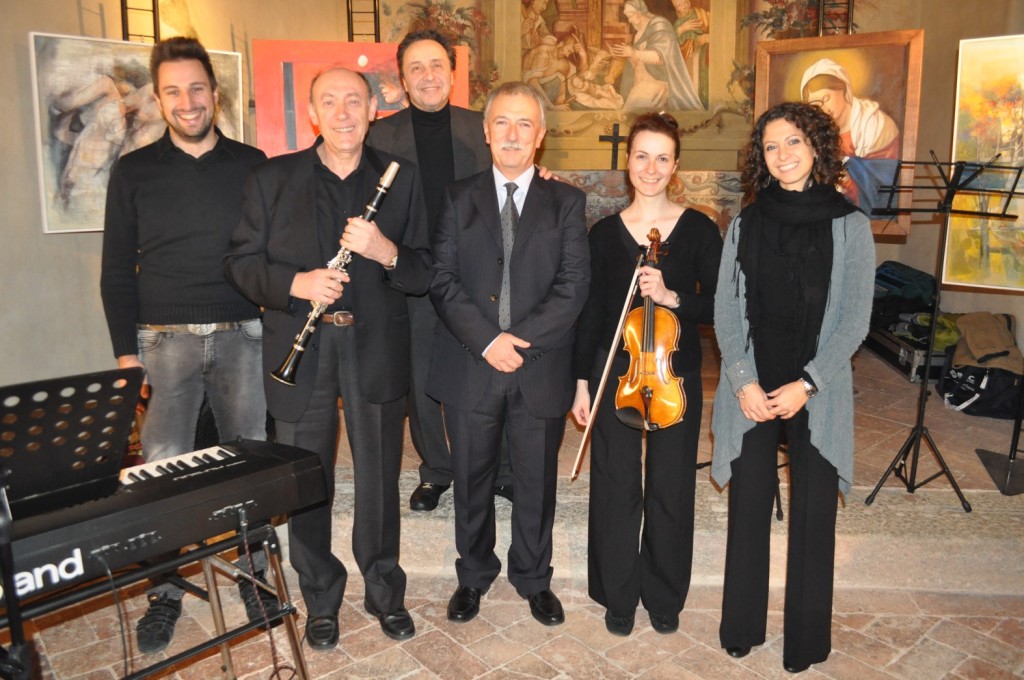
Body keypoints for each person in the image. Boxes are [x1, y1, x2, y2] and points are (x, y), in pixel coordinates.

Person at [224, 67, 431, 649]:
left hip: (376, 347)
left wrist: (386, 250)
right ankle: (320, 597)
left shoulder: (403, 179)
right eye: (330, 102)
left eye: (354, 102)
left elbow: (423, 269)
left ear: (372, 111)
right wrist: (298, 283)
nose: (343, 113)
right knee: (306, 481)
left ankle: (385, 591)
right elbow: (240, 264)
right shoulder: (271, 178)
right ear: (312, 112)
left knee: (379, 480)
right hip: (302, 345)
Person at [100, 37, 274, 655]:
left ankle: (255, 575)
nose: (187, 101)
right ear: (158, 98)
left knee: (246, 464)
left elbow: (272, 256)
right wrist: (127, 354)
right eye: (173, 90)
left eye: (197, 87)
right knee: (162, 475)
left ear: (214, 91)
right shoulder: (133, 172)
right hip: (162, 342)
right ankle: (165, 589)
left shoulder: (255, 164)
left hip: (242, 337)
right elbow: (116, 270)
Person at [711, 101, 875, 673]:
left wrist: (809, 383)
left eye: (794, 143)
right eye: (772, 146)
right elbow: (726, 310)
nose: (782, 156)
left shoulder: (850, 225)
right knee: (750, 508)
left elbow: (855, 318)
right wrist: (742, 380)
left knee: (813, 517)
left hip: (817, 389)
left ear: (817, 150)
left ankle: (806, 642)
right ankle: (741, 627)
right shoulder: (746, 222)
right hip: (753, 387)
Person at [428, 81, 590, 627]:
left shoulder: (567, 201)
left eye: (525, 124)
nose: (514, 133)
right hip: (472, 364)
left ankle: (532, 577)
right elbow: (443, 280)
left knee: (535, 480)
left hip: (539, 368)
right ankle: (473, 575)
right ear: (487, 131)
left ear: (540, 136)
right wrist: (488, 341)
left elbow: (573, 286)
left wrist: (518, 343)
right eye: (503, 122)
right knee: (471, 479)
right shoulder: (456, 197)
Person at [570, 112, 722, 637]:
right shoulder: (603, 235)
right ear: (628, 162)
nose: (651, 167)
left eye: (662, 157)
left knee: (670, 486)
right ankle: (618, 593)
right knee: (614, 485)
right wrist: (583, 383)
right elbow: (590, 317)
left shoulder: (700, 228)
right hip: (617, 374)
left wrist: (671, 296)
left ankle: (663, 594)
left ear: (675, 165)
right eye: (642, 155)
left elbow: (723, 306)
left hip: (674, 379)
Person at [366, 29, 514, 512]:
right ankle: (436, 470)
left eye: (436, 65)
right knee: (422, 379)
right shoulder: (380, 135)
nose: (428, 76)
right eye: (416, 68)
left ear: (453, 73)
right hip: (410, 273)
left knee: (490, 373)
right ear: (403, 80)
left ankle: (500, 469)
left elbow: (517, 177)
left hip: (477, 275)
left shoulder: (483, 127)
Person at [800, 58, 900, 210]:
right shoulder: (817, 131)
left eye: (827, 98)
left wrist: (847, 177)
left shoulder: (874, 126)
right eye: (816, 104)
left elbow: (883, 182)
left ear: (844, 90)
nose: (824, 108)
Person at [611, 0, 703, 111]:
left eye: (630, 16)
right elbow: (637, 64)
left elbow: (660, 57)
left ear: (638, 13)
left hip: (658, 83)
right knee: (628, 113)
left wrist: (633, 53)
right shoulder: (639, 33)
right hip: (641, 83)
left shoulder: (660, 25)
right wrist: (623, 55)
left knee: (632, 112)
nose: (629, 21)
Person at [672, 0, 711, 108]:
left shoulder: (702, 14)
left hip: (705, 54)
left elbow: (719, 30)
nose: (679, 8)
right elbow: (670, 41)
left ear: (688, 3)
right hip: (687, 58)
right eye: (676, 6)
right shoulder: (678, 23)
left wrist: (710, 37)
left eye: (681, 4)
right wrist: (682, 29)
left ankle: (705, 106)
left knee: (704, 80)